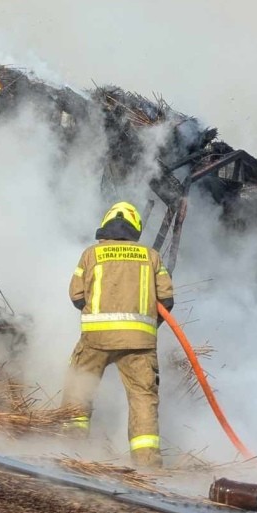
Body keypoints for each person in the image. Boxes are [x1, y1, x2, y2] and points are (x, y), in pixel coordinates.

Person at [64, 201, 174, 469]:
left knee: (79, 387)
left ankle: (70, 450)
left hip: (95, 340)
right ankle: (147, 465)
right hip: (139, 344)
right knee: (143, 398)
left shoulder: (92, 254)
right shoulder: (151, 256)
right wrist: (143, 326)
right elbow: (167, 301)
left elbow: (76, 296)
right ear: (135, 229)